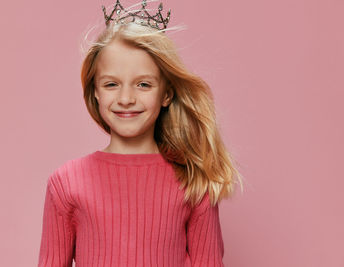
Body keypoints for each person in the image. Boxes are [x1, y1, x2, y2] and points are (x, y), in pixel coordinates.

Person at [37, 0, 243, 266]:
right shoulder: (66, 182)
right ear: (95, 92)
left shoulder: (193, 180)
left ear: (166, 93)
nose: (126, 98)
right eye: (111, 84)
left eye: (143, 84)